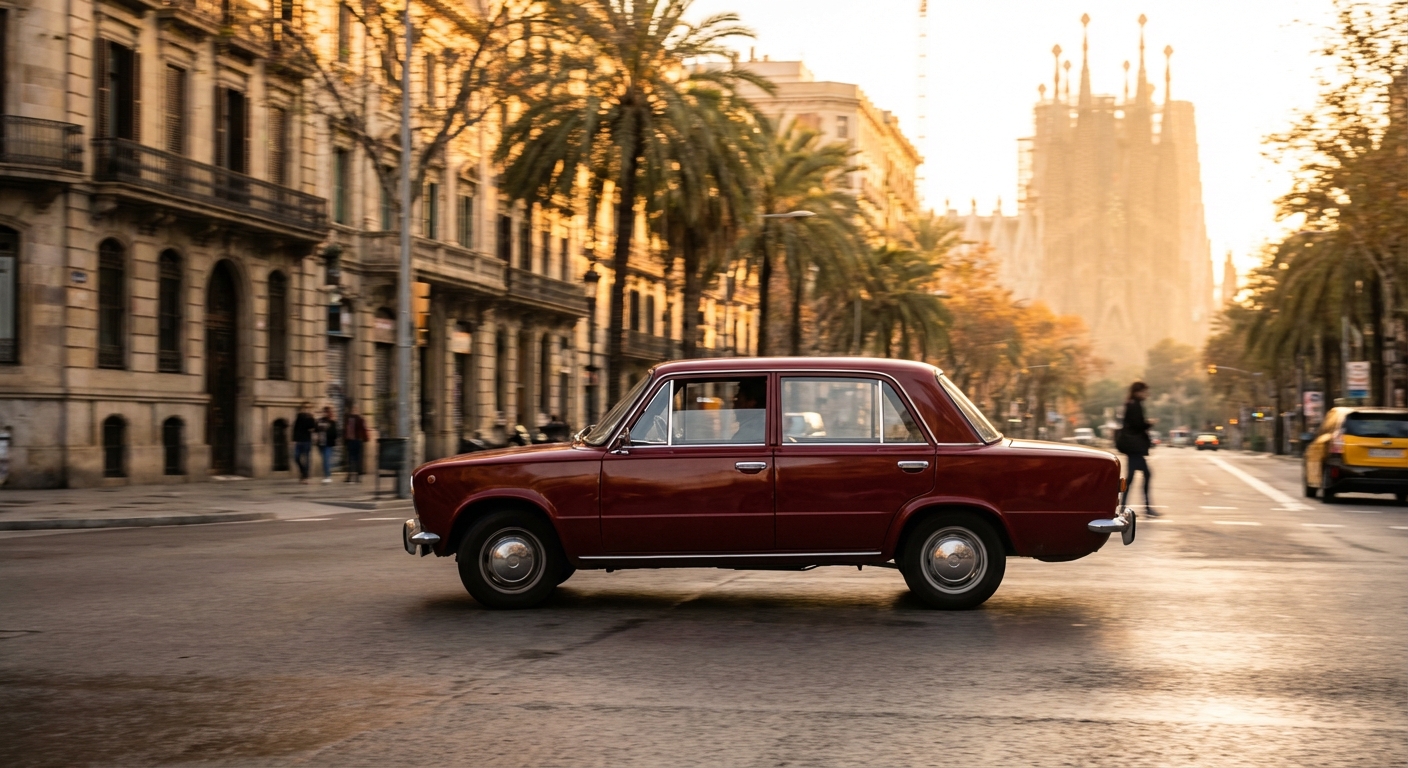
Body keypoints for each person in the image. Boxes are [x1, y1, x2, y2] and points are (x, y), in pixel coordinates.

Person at [1119, 381, 1156, 516]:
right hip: (1134, 448)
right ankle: (1145, 508)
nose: (1146, 394)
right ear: (1137, 392)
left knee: (1134, 477)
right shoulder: (1135, 405)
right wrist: (1148, 424)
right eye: (1144, 392)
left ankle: (1124, 507)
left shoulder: (1132, 404)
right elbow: (1137, 426)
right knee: (1142, 475)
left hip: (1133, 448)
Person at [731, 378, 766, 443]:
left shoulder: (748, 433)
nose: (734, 404)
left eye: (738, 399)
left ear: (751, 402)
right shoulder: (762, 426)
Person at [343, 401, 369, 483]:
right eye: (353, 409)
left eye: (356, 409)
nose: (354, 410)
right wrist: (346, 439)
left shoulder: (360, 419)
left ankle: (358, 477)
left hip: (357, 441)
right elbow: (346, 430)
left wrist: (365, 438)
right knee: (350, 459)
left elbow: (363, 429)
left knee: (358, 460)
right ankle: (350, 476)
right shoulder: (348, 419)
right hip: (351, 441)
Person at [292, 402, 317, 484]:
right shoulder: (299, 416)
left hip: (307, 441)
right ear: (303, 408)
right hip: (299, 440)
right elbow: (295, 428)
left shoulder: (311, 418)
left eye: (308, 408)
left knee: (307, 459)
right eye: (305, 407)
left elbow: (314, 428)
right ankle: (303, 472)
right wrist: (294, 440)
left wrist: (312, 417)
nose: (307, 409)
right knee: (296, 457)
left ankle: (305, 477)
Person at [316, 406, 340, 484]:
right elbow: (316, 430)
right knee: (324, 460)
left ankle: (327, 476)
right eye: (324, 411)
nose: (325, 413)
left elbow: (335, 434)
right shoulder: (320, 420)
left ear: (329, 413)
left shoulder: (332, 422)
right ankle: (326, 475)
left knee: (326, 460)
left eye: (326, 412)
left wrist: (326, 431)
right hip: (320, 443)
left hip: (328, 444)